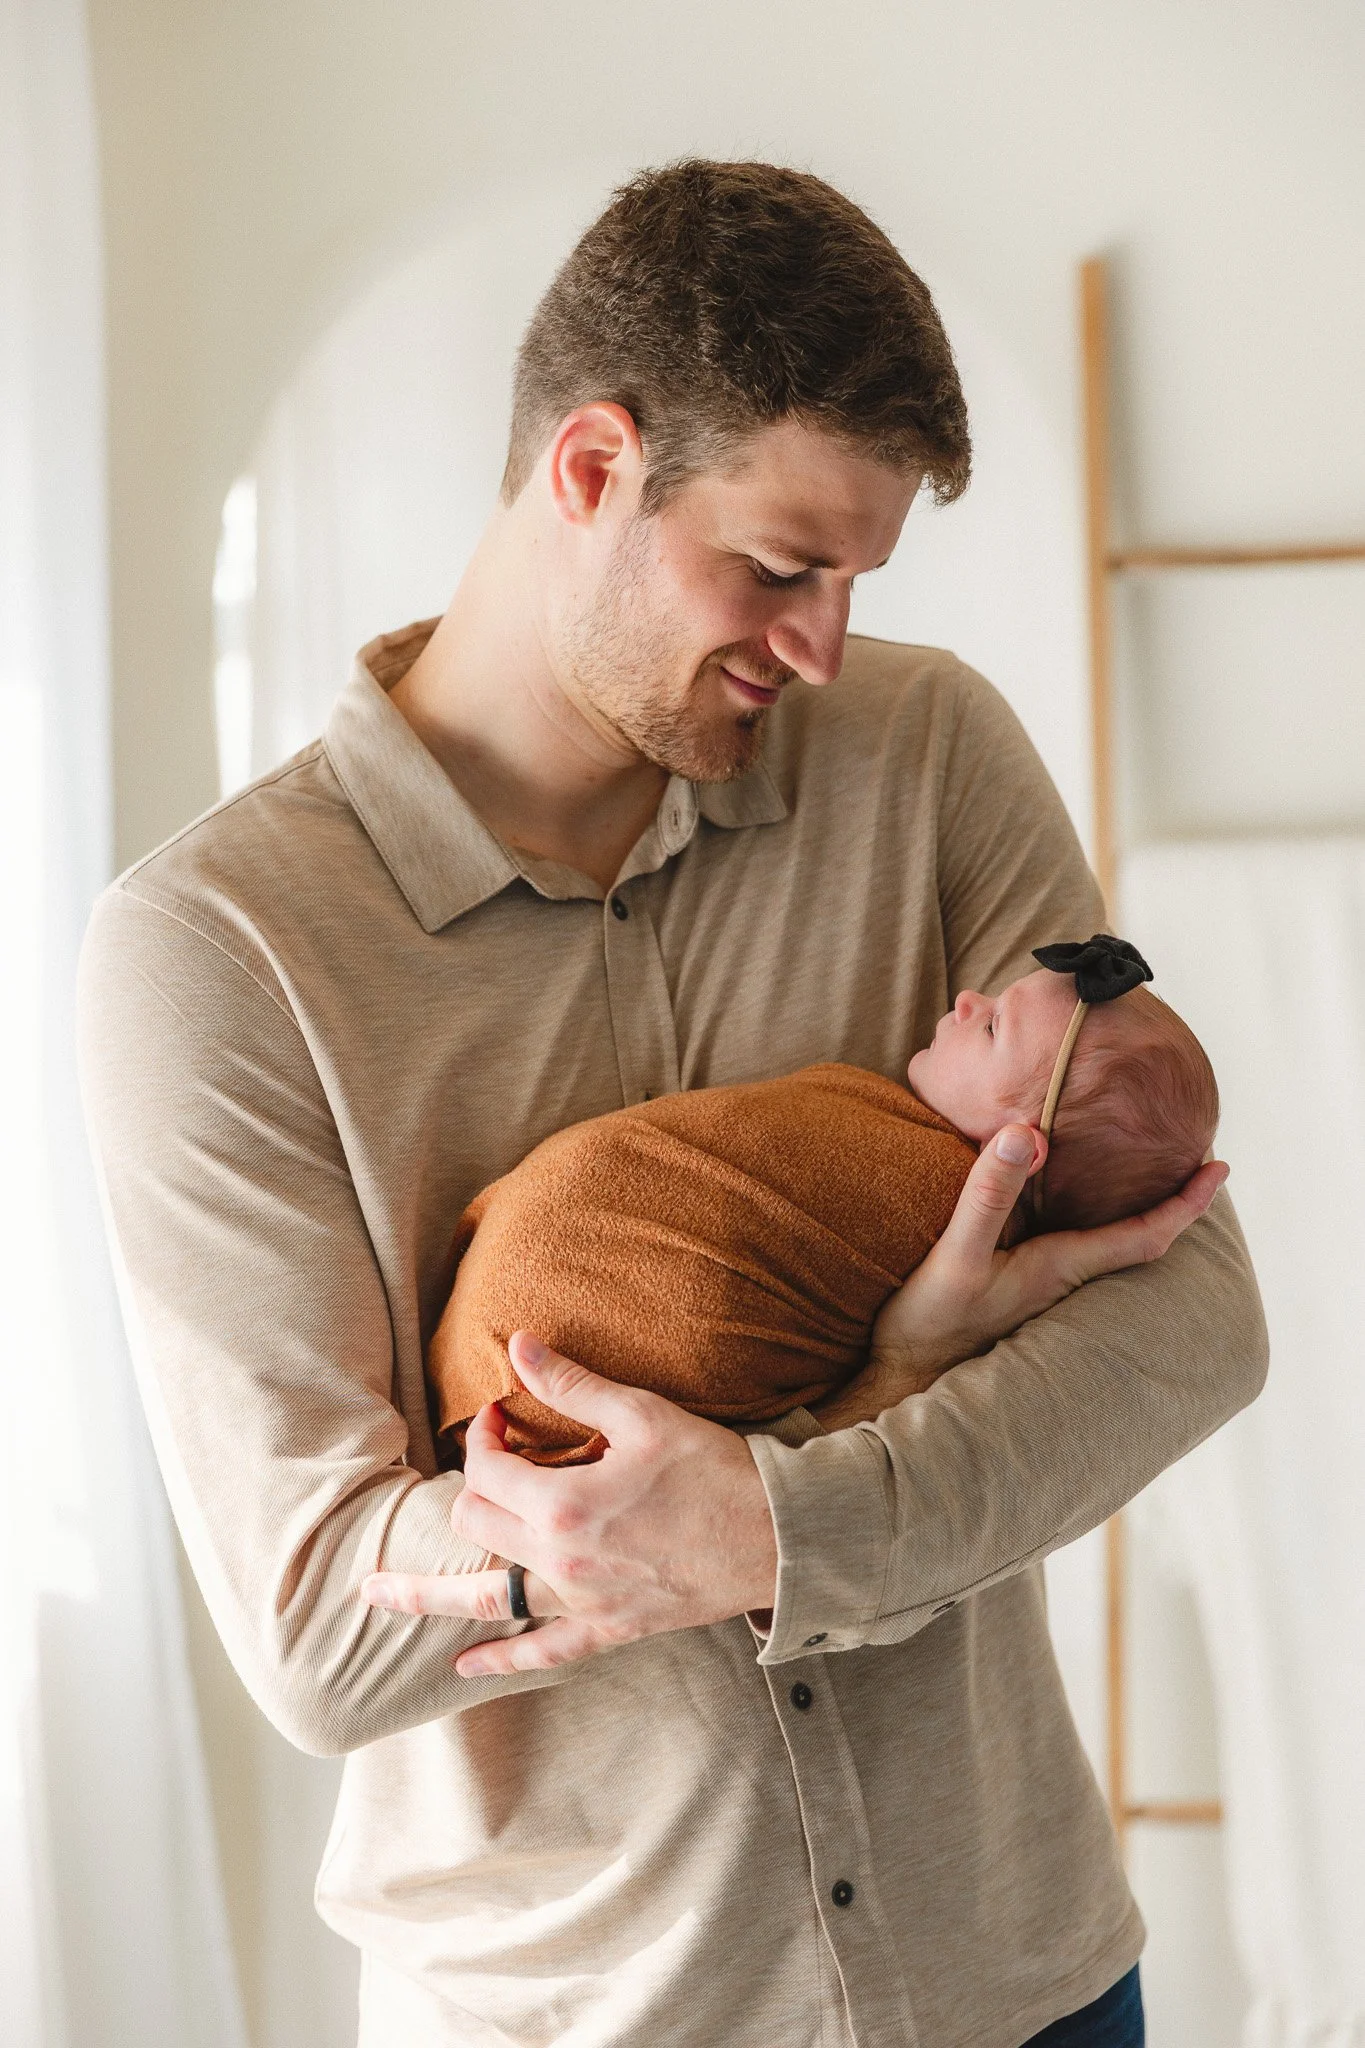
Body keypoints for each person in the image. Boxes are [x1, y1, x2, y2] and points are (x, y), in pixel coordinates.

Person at [78, 160, 1266, 2048]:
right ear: (589, 467)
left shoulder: (930, 750)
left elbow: (1197, 1313)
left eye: (858, 581)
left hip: (1023, 1982)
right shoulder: (214, 952)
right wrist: (856, 1416)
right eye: (779, 566)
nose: (820, 644)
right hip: (578, 2015)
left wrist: (780, 1525)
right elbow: (313, 1621)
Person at [428, 941, 1220, 1462]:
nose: (969, 999)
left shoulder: (934, 1208)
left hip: (541, 1354)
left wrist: (910, 1363)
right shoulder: (875, 1127)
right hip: (525, 1328)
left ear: (1021, 1146)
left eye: (990, 1031)